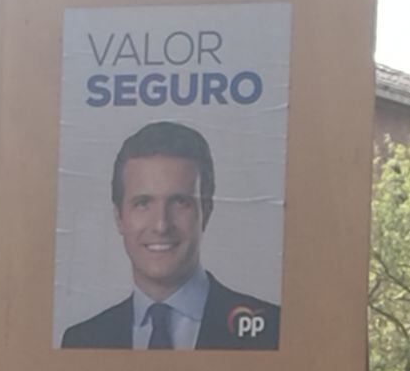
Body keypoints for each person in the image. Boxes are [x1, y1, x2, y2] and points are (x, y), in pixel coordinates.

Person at [60, 121, 280, 350]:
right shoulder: (82, 340)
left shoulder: (272, 330)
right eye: (143, 203)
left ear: (207, 211)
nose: (161, 225)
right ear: (119, 217)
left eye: (179, 202)